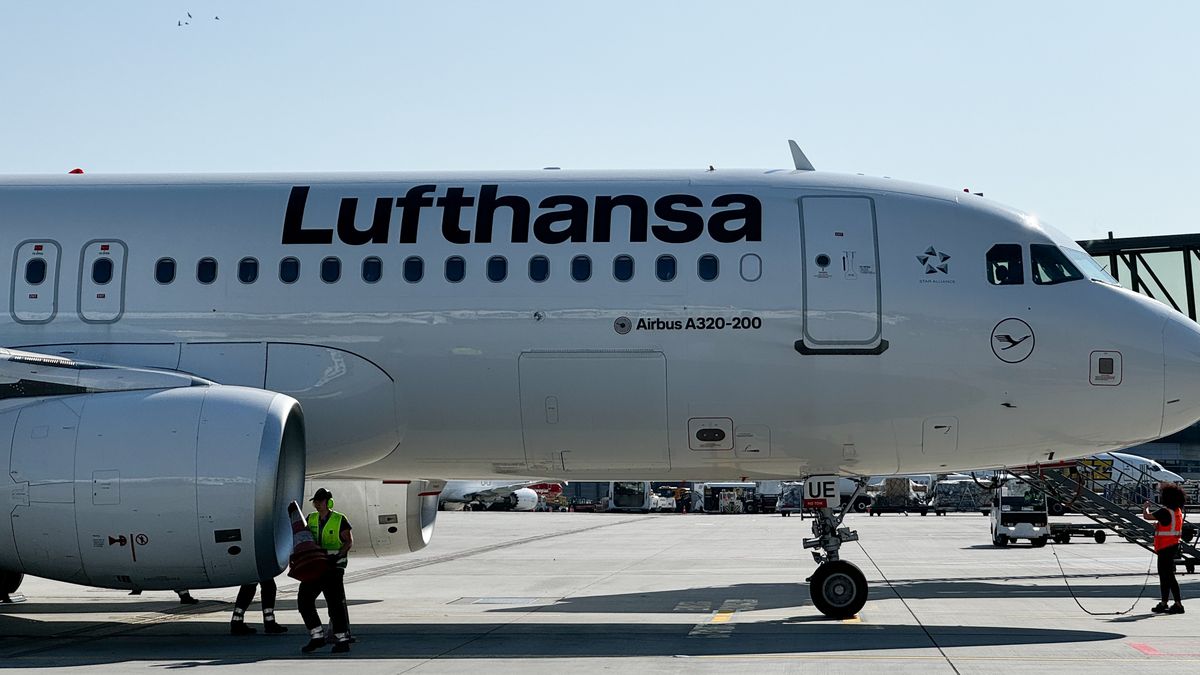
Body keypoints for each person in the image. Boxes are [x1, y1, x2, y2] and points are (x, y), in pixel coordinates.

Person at [297, 487, 353, 654]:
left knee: (335, 605)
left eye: (320, 501)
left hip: (333, 568)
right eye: (315, 501)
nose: (317, 504)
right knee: (304, 601)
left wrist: (337, 556)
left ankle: (342, 640)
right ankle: (317, 636)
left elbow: (348, 541)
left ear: (329, 502)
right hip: (315, 566)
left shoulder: (339, 519)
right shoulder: (311, 518)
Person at [1142, 482, 1187, 614]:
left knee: (1167, 576)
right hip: (1173, 545)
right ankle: (1164, 602)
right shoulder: (1177, 511)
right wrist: (1159, 525)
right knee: (1166, 575)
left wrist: (1145, 507)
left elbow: (1147, 516)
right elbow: (1169, 525)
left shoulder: (1164, 511)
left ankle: (1177, 603)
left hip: (1165, 547)